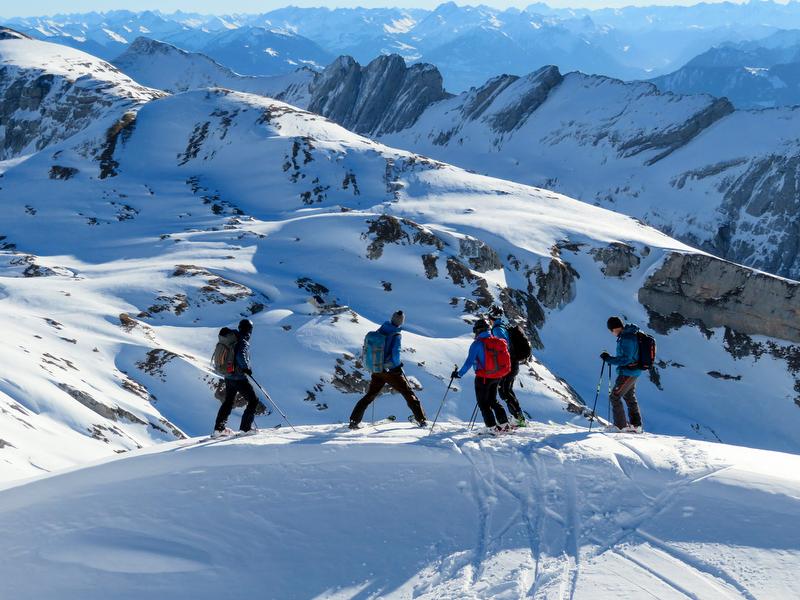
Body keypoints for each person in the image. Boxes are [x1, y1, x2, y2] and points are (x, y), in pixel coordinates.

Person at [349, 311, 427, 429]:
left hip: (377, 369)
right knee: (408, 392)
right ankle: (421, 420)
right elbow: (395, 353)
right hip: (390, 371)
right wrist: (397, 365)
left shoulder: (381, 330)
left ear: (392, 319)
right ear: (401, 322)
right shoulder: (396, 334)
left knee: (370, 395)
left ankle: (354, 421)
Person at [452, 318, 511, 434]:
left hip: (483, 378)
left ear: (477, 330)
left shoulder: (477, 344)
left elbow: (469, 362)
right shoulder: (498, 341)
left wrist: (459, 374)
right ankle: (505, 425)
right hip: (497, 376)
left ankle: (491, 428)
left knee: (483, 403)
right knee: (493, 401)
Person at [213, 319, 261, 436]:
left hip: (228, 376)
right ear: (249, 330)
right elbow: (240, 355)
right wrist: (246, 368)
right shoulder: (242, 340)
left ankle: (219, 429)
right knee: (253, 401)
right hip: (238, 377)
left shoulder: (232, 338)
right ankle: (245, 429)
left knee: (228, 402)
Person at [600, 316, 644, 433]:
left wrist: (609, 359)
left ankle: (620, 426)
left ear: (614, 329)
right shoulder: (628, 335)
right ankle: (636, 426)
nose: (611, 333)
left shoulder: (627, 338)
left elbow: (626, 359)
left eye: (611, 330)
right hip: (633, 371)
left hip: (628, 372)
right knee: (629, 396)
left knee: (614, 396)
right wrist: (610, 358)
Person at [489, 306, 526, 427]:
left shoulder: (497, 329)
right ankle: (518, 417)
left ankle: (518, 418)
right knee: (507, 390)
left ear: (491, 317)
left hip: (508, 365)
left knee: (503, 390)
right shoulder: (503, 327)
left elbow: (503, 346)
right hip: (512, 363)